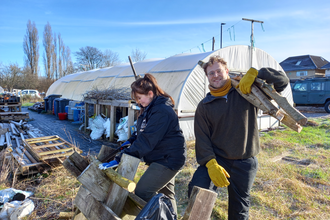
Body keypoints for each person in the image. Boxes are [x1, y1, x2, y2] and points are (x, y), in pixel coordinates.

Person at [188, 56, 289, 219]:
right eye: (211, 73)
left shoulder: (248, 92)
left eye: (219, 71)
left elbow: (282, 82)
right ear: (207, 77)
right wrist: (211, 163)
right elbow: (203, 138)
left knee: (239, 209)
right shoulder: (204, 106)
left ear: (226, 71)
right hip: (219, 160)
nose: (215, 76)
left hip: (245, 160)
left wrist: (257, 74)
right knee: (198, 191)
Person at [99, 73, 186, 215]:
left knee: (142, 192)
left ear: (150, 94)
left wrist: (120, 158)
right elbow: (143, 133)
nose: (138, 102)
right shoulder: (150, 110)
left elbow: (147, 140)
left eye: (139, 98)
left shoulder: (161, 111)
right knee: (167, 195)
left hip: (169, 159)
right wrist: (131, 140)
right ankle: (170, 217)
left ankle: (159, 216)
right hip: (162, 157)